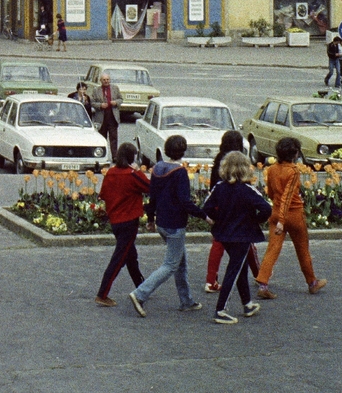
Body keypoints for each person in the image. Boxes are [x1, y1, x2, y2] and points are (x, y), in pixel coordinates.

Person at [128, 135, 206, 316]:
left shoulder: (157, 169)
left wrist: (150, 219)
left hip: (162, 223)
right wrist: (204, 216)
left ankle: (186, 301)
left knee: (180, 262)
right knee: (171, 265)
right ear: (183, 151)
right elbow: (185, 201)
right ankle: (140, 294)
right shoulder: (180, 173)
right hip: (175, 224)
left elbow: (152, 198)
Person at [203, 151, 272, 324]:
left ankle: (247, 303)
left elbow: (207, 207)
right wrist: (254, 221)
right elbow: (266, 209)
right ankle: (220, 309)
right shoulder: (247, 189)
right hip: (242, 235)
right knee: (234, 270)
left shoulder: (219, 187)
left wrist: (218, 220)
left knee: (240, 268)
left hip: (223, 234)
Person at [256, 137, 327, 298]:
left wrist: (278, 215)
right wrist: (283, 219)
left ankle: (263, 283)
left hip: (275, 212)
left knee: (272, 250)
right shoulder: (293, 171)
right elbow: (288, 196)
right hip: (293, 215)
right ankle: (312, 283)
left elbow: (271, 193)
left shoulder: (272, 169)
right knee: (302, 249)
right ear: (294, 154)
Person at [205, 130, 262, 296]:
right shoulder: (239, 163)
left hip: (219, 206)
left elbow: (212, 187)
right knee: (248, 242)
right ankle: (259, 275)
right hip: (237, 207)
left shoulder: (218, 161)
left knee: (218, 242)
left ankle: (211, 279)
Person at [94, 142, 149, 306]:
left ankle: (142, 286)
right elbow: (149, 187)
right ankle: (102, 294)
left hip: (115, 220)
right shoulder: (132, 174)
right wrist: (138, 170)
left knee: (131, 256)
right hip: (129, 220)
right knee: (119, 259)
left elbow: (103, 194)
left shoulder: (110, 173)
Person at [88, 72, 123, 156]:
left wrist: (115, 102)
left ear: (110, 80)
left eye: (107, 79)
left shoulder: (115, 88)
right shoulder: (96, 90)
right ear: (100, 81)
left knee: (114, 138)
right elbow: (92, 102)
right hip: (101, 117)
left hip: (112, 116)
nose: (106, 81)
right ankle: (102, 154)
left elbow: (121, 99)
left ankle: (115, 155)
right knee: (102, 138)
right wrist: (100, 105)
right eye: (104, 80)